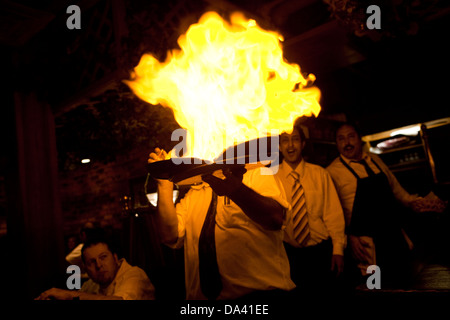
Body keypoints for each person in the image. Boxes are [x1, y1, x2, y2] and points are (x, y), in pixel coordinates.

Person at [149, 147, 295, 300]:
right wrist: (164, 185)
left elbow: (274, 219)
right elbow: (169, 236)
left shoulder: (255, 172)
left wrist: (236, 191)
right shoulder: (195, 193)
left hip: (259, 297)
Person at [326, 122, 427, 289]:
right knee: (376, 288)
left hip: (394, 236)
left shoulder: (375, 159)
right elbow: (333, 213)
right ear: (336, 143)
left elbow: (397, 190)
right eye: (341, 139)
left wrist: (416, 202)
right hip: (366, 245)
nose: (347, 143)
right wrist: (349, 237)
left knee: (405, 284)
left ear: (360, 139)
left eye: (351, 137)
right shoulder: (331, 172)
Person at [275, 122, 345, 295]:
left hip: (321, 253)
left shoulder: (320, 174)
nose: (290, 145)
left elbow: (333, 214)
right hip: (288, 256)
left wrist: (338, 250)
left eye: (295, 139)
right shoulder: (271, 179)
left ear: (303, 144)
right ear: (279, 146)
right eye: (285, 140)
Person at [36, 235, 155, 300]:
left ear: (115, 258)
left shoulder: (135, 275)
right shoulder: (90, 285)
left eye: (103, 257)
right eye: (91, 262)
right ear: (85, 268)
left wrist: (70, 295)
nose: (98, 265)